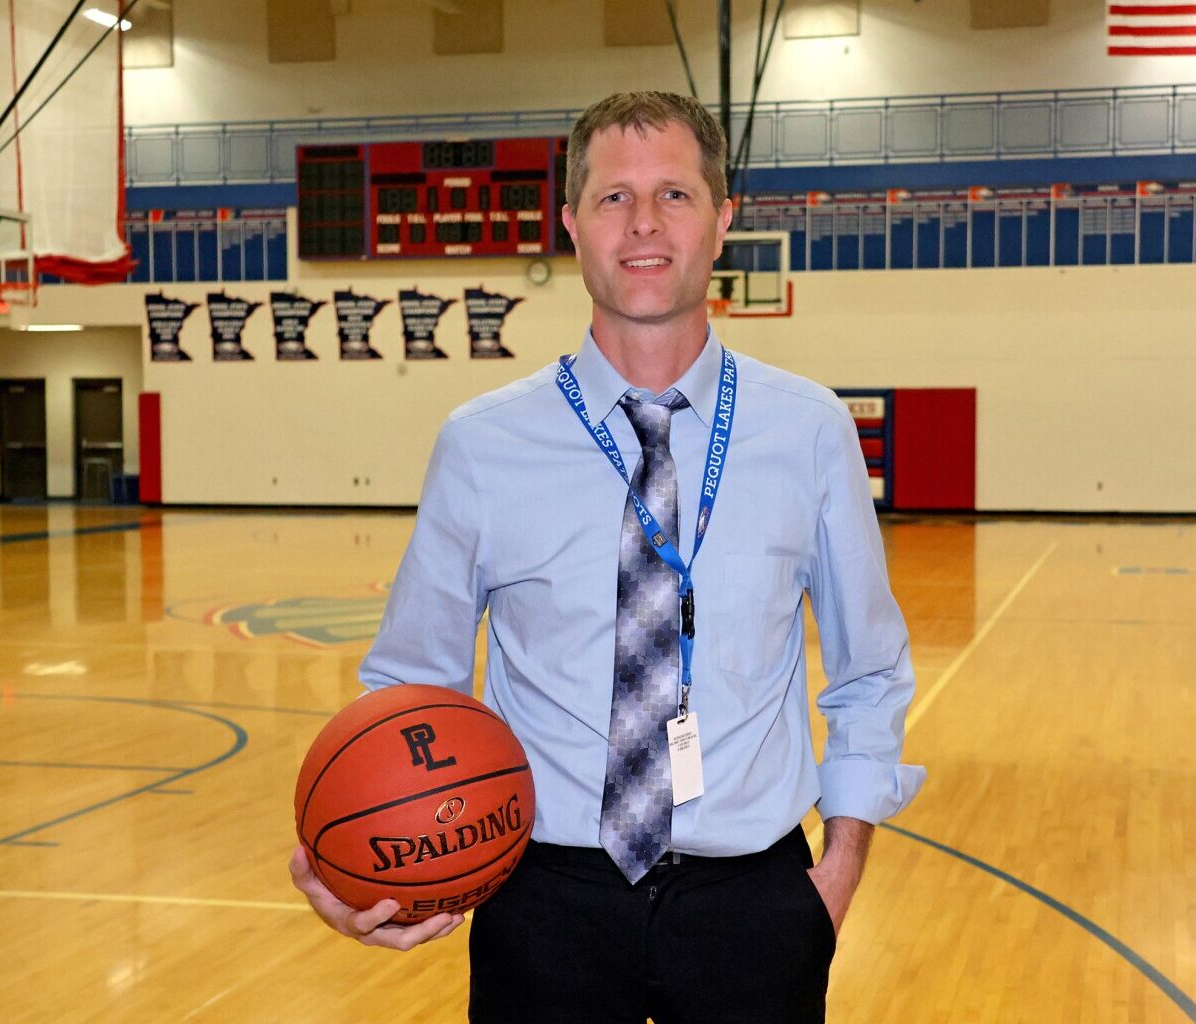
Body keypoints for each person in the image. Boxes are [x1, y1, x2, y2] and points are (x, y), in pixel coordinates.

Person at [289, 90, 925, 1023]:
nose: (644, 224)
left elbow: (869, 670)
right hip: (542, 902)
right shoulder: (483, 444)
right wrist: (365, 866)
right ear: (570, 228)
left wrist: (835, 875)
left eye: (674, 194)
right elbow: (408, 687)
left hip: (754, 905)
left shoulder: (811, 429)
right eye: (613, 198)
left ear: (722, 224)